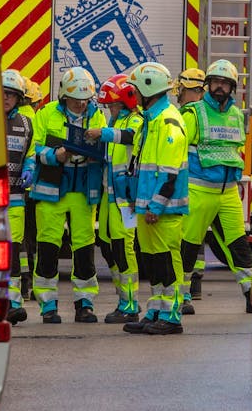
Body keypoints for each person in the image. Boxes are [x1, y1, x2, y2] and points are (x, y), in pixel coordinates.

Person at [24, 66, 107, 323]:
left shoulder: (97, 116)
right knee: (48, 246)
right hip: (51, 189)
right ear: (64, 96)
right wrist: (56, 155)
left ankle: (85, 303)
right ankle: (48, 306)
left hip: (83, 189)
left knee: (83, 247)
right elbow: (34, 149)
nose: (81, 104)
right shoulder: (47, 114)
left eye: (85, 99)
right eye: (75, 99)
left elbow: (105, 150)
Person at [180, 59, 252, 315]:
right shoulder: (193, 112)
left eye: (225, 83)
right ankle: (181, 296)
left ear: (232, 87)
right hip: (198, 189)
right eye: (216, 82)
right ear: (207, 84)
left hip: (228, 191)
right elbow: (178, 151)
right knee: (188, 245)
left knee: (238, 243)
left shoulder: (236, 114)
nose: (220, 87)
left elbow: (236, 149)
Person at [122, 62, 190, 335]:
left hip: (164, 207)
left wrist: (155, 205)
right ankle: (156, 310)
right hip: (148, 206)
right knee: (152, 260)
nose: (134, 97)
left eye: (136, 91)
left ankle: (172, 316)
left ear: (149, 90)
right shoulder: (151, 119)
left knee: (165, 259)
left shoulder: (168, 121)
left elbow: (170, 172)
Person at [85, 74, 145, 324]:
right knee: (109, 246)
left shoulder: (137, 120)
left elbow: (129, 136)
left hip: (126, 198)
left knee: (124, 249)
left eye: (113, 104)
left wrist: (103, 132)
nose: (110, 109)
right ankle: (123, 298)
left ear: (126, 102)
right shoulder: (118, 119)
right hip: (111, 198)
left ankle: (130, 304)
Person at [173, 67, 209, 303]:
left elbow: (178, 151)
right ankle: (194, 283)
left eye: (181, 90)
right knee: (197, 238)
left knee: (185, 239)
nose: (178, 94)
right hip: (209, 185)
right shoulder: (208, 113)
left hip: (189, 183)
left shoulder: (188, 115)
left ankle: (184, 290)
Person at [3, 70, 34, 326]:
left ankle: (13, 303)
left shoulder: (26, 124)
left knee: (13, 251)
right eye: (1, 93)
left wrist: (30, 168)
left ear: (19, 98)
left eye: (10, 95)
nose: (5, 98)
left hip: (15, 198)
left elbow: (31, 155)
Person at [19, 75, 42, 301]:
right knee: (34, 238)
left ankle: (23, 285)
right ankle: (34, 285)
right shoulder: (37, 119)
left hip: (17, 188)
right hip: (35, 189)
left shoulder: (11, 119)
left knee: (20, 240)